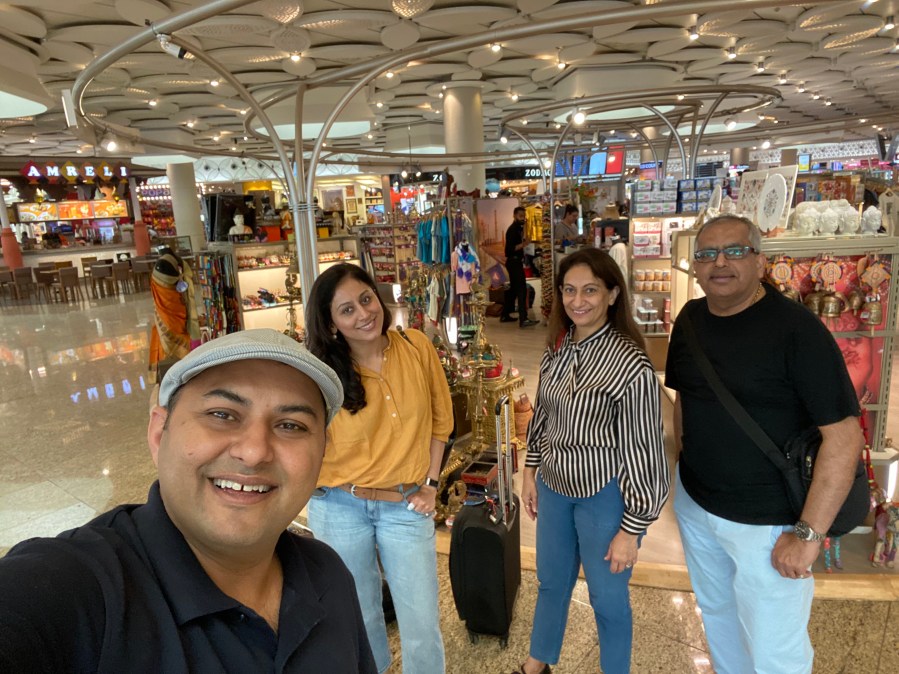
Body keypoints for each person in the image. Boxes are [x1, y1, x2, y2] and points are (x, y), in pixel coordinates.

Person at [0, 329, 377, 672]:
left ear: (322, 454)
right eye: (222, 414)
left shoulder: (327, 575)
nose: (254, 452)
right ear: (158, 434)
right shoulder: (76, 589)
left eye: (291, 425)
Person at [665, 214, 864, 674]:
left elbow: (844, 438)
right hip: (698, 506)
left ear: (759, 261)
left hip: (770, 525)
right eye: (707, 254)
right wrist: (683, 468)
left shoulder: (797, 331)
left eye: (734, 251)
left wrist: (808, 535)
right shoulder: (690, 319)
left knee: (775, 648)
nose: (720, 263)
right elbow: (685, 398)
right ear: (695, 265)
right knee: (718, 618)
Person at [514, 248, 670, 674]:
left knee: (607, 596)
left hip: (603, 494)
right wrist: (530, 471)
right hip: (554, 487)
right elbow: (543, 416)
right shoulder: (558, 349)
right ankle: (537, 663)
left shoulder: (630, 364)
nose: (577, 301)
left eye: (590, 290)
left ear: (612, 294)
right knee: (551, 581)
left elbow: (645, 451)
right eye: (569, 290)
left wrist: (632, 530)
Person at [305, 263, 452, 674]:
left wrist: (431, 484)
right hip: (339, 506)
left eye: (366, 299)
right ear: (332, 324)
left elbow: (441, 422)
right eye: (347, 310)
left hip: (405, 504)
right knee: (358, 616)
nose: (363, 314)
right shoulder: (322, 374)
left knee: (421, 621)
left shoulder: (416, 347)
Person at [148, 248, 200, 383]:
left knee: (168, 342)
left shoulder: (161, 277)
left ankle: (173, 376)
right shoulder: (172, 271)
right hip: (174, 314)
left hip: (171, 316)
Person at [502, 206, 538, 327]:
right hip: (513, 262)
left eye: (524, 216)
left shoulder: (519, 228)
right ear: (515, 216)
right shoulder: (512, 230)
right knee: (521, 289)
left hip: (515, 262)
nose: (523, 218)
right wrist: (524, 244)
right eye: (520, 216)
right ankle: (523, 318)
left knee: (513, 289)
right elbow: (509, 249)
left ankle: (505, 314)